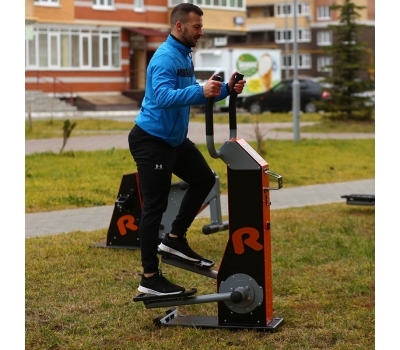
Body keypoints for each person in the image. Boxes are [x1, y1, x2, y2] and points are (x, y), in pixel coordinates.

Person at [128, 2, 246, 296]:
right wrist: (200, 90)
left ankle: (175, 238)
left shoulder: (183, 54)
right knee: (154, 206)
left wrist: (226, 90)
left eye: (201, 27)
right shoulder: (164, 58)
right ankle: (150, 277)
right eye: (197, 27)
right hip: (151, 140)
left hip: (174, 140)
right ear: (179, 26)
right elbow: (165, 96)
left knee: (205, 180)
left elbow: (189, 92)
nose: (201, 32)